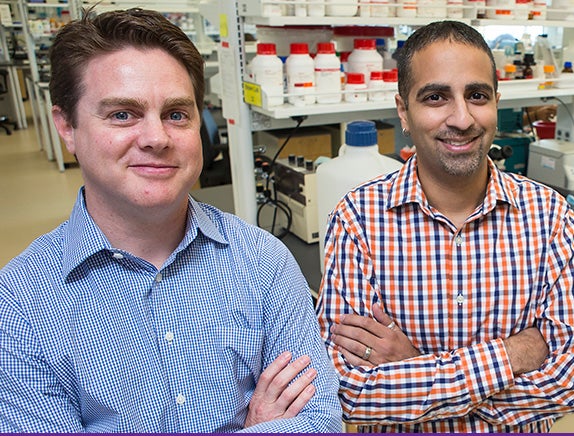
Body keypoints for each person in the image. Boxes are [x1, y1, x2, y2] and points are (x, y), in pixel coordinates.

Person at [0, 8, 342, 432]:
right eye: (122, 114)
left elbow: (320, 421)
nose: (156, 138)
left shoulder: (263, 262)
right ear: (66, 127)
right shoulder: (21, 304)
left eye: (176, 114)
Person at [316, 21, 574, 432]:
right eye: (436, 97)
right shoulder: (358, 218)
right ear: (404, 111)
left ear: (496, 103)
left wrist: (415, 366)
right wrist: (512, 354)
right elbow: (348, 391)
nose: (463, 118)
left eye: (477, 96)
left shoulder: (547, 213)